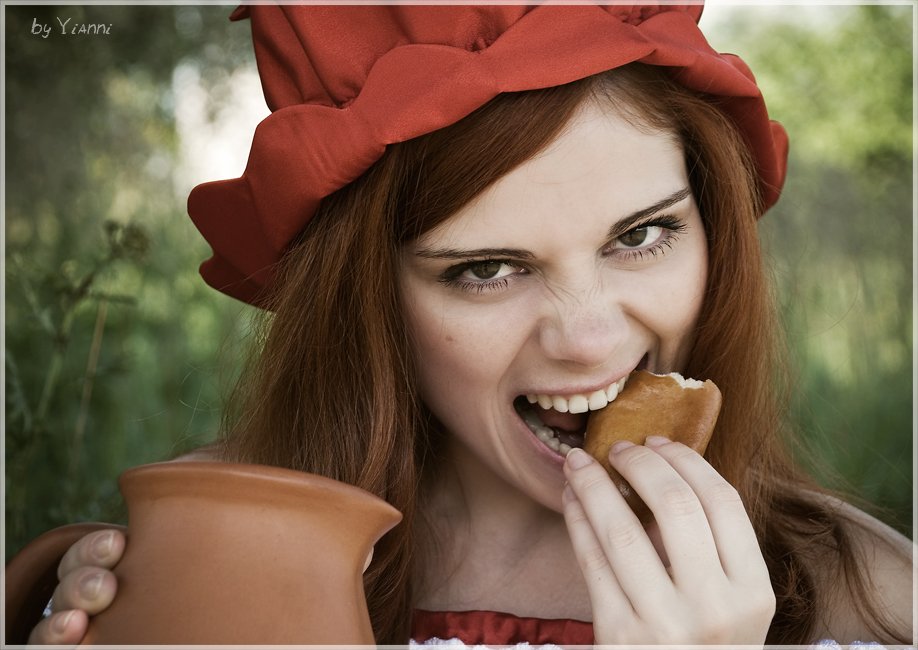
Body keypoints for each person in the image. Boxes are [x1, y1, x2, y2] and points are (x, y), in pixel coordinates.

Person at [26, 4, 912, 646]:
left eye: (641, 236)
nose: (590, 339)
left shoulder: (869, 599)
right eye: (486, 269)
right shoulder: (219, 549)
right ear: (370, 300)